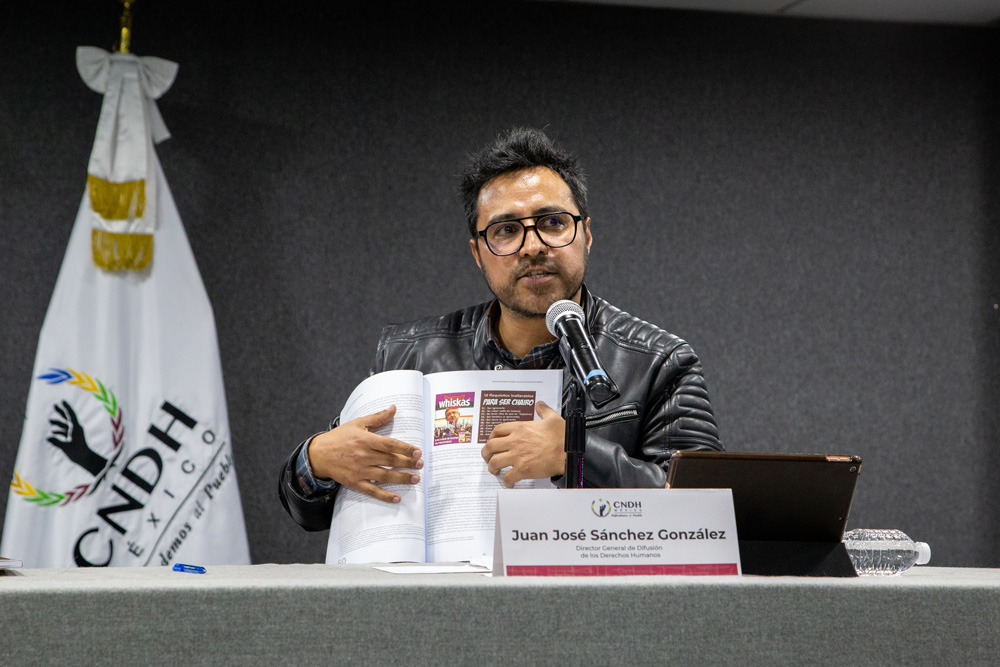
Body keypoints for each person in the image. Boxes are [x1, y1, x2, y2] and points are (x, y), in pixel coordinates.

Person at [278, 127, 723, 531]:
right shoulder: (407, 356)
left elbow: (707, 515)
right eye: (507, 230)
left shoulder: (659, 361)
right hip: (441, 606)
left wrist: (577, 456)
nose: (533, 246)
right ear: (478, 252)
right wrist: (317, 459)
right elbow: (311, 512)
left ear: (586, 234)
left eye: (552, 223)